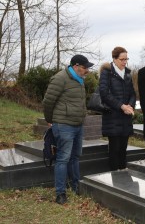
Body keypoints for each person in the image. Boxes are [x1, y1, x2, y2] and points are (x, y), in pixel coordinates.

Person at [43, 54, 94, 205]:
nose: (87, 71)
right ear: (76, 66)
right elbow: (48, 101)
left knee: (75, 157)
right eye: (85, 68)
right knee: (63, 159)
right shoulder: (60, 79)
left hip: (78, 125)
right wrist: (50, 120)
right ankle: (60, 193)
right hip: (64, 125)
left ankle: (76, 186)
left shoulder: (79, 80)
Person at [99, 46, 136, 171]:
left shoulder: (127, 73)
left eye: (126, 59)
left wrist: (130, 105)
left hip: (126, 116)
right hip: (112, 116)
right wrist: (121, 106)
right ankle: (115, 175)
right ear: (114, 59)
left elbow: (132, 93)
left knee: (123, 148)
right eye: (122, 59)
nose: (125, 62)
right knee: (114, 149)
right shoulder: (106, 73)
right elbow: (104, 94)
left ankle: (123, 173)